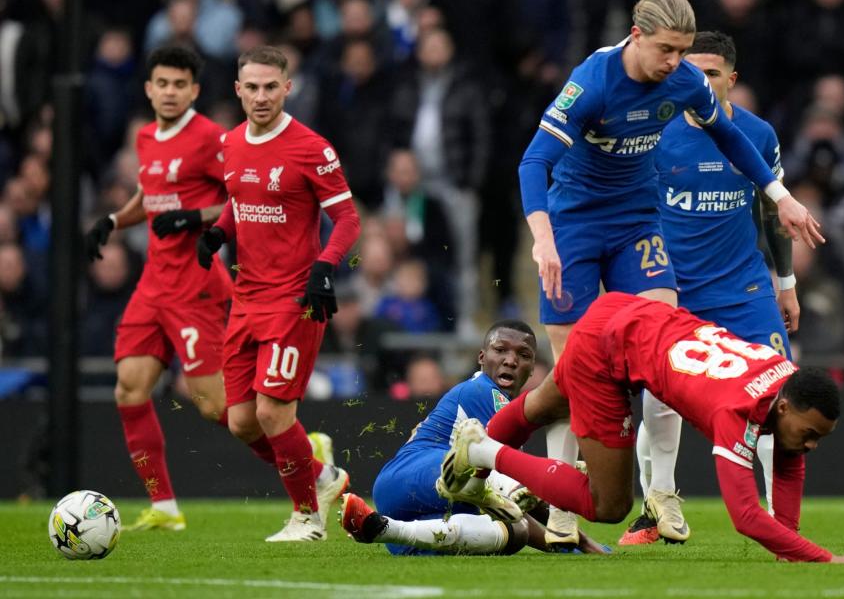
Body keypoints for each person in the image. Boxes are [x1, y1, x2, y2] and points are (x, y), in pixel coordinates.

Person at [517, 0, 823, 547]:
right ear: (635, 37)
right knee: (570, 376)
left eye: (684, 52)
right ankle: (559, 506)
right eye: (667, 51)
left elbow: (732, 137)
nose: (676, 63)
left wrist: (781, 197)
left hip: (638, 221)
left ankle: (660, 494)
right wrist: (543, 240)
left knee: (665, 354)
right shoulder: (591, 83)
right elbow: (533, 161)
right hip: (574, 225)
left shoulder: (682, 81)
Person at [441, 293, 844, 564]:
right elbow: (745, 518)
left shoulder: (786, 377)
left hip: (624, 311)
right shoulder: (737, 412)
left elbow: (790, 457)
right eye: (812, 433)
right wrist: (823, 559)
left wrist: (791, 547)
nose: (813, 445)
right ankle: (482, 453)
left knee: (537, 406)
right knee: (608, 504)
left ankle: (474, 470)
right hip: (609, 350)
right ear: (783, 406)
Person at [621, 31, 798, 545]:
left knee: (776, 396)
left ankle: (781, 524)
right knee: (660, 397)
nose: (700, 82)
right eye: (690, 73)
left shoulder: (757, 134)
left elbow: (773, 209)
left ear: (731, 80)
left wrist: (785, 284)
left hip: (743, 288)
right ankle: (661, 506)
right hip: (672, 287)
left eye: (712, 73)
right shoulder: (654, 134)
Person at [195, 45, 361, 541]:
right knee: (242, 422)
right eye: (253, 87)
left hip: (295, 299)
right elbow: (241, 201)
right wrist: (220, 233)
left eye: (272, 87)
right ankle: (324, 477)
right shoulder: (230, 144)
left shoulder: (312, 147)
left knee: (272, 412)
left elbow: (348, 219)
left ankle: (307, 519)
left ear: (288, 88)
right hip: (246, 299)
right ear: (238, 90)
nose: (262, 96)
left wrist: (326, 267)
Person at [83, 46, 233, 532]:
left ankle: (310, 459)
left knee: (215, 406)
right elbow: (151, 194)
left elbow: (243, 194)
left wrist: (195, 217)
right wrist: (113, 220)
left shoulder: (211, 137)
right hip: (154, 284)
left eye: (179, 84)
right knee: (129, 388)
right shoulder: (146, 137)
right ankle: (165, 508)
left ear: (194, 90)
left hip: (196, 283)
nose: (169, 92)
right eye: (161, 83)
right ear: (149, 89)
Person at [340, 320, 606, 555]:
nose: (511, 360)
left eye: (523, 355)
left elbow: (520, 506)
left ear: (532, 367)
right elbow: (520, 491)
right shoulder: (484, 391)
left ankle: (382, 528)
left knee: (516, 532)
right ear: (482, 357)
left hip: (417, 507)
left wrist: (563, 544)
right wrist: (577, 542)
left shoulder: (504, 406)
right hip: (417, 473)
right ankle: (387, 525)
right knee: (510, 485)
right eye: (500, 350)